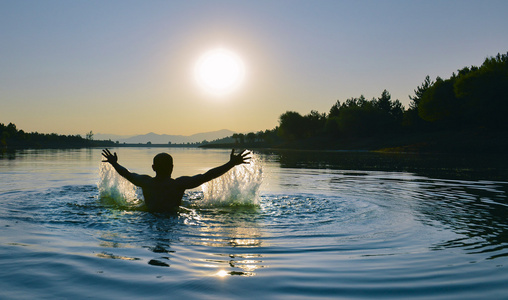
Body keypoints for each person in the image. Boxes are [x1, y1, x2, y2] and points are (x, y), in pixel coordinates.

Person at [101, 148, 251, 212]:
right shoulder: (179, 185)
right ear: (172, 168)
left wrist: (114, 163)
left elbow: (126, 173)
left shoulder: (146, 182)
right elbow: (208, 175)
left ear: (153, 168)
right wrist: (231, 163)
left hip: (149, 217)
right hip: (174, 217)